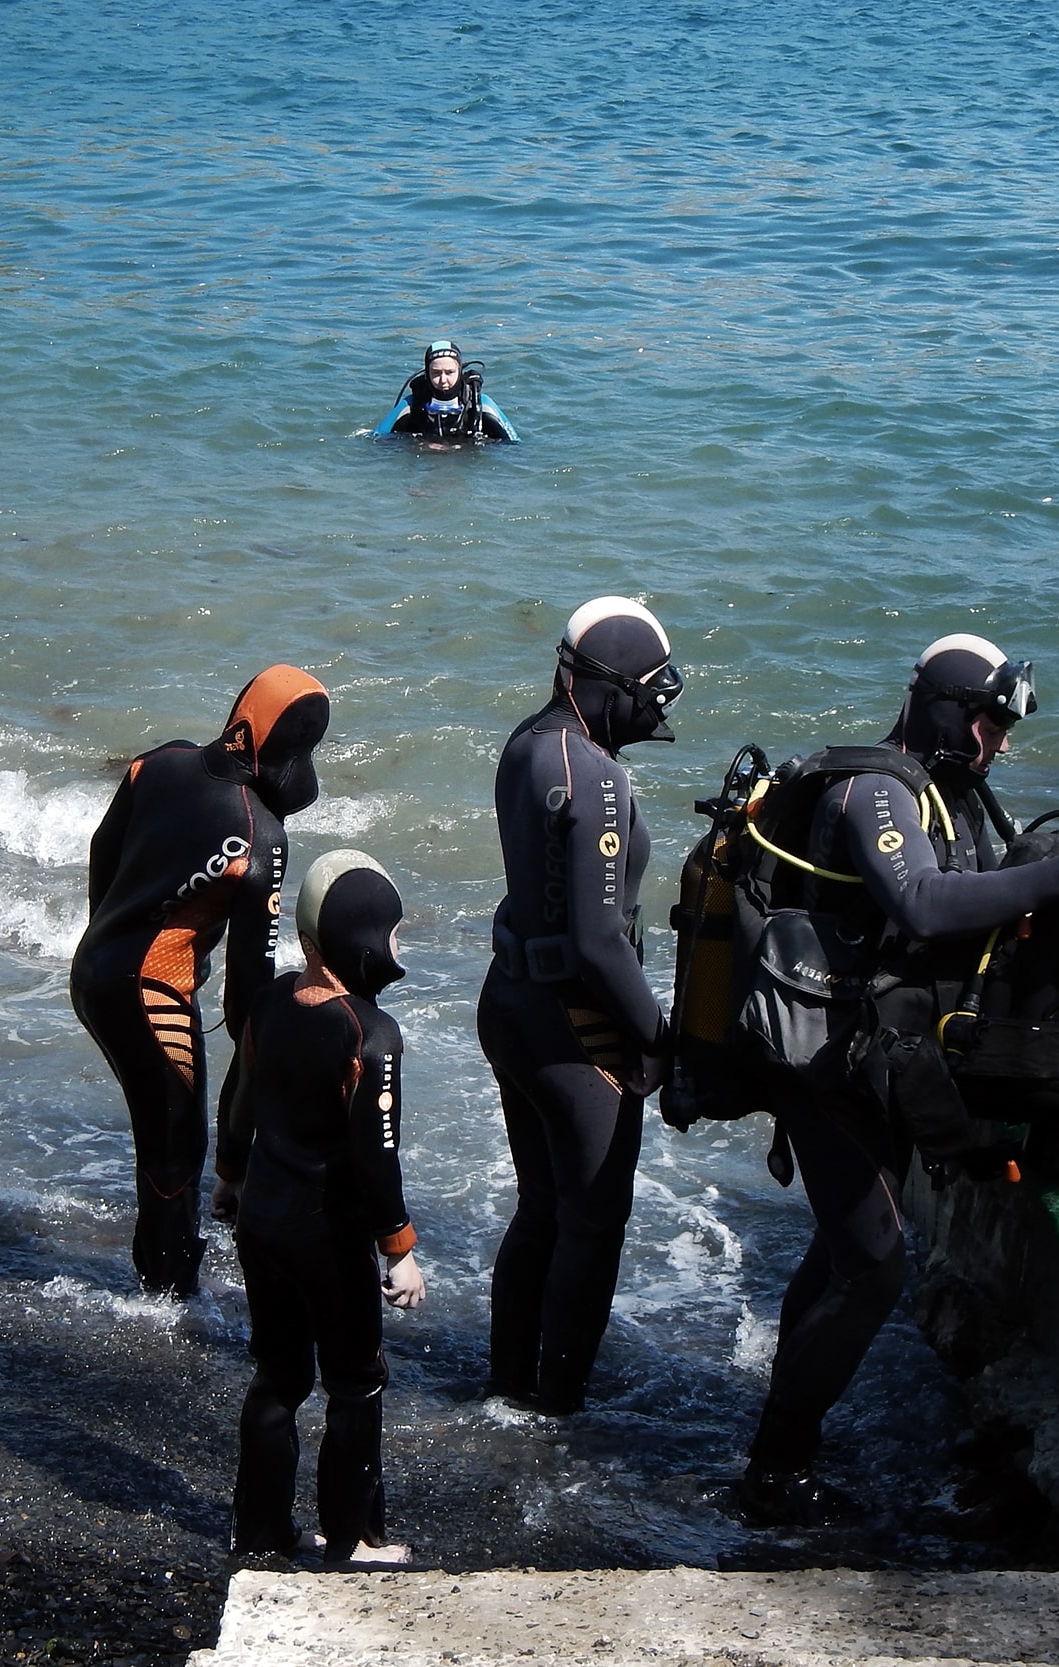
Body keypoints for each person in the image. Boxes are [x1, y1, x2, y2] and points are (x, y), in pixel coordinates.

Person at [737, 634, 1059, 1523]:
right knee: (876, 1269)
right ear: (946, 710)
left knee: (846, 1252)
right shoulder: (873, 790)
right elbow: (919, 900)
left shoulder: (946, 792)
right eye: (989, 721)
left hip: (879, 1059)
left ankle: (781, 1435)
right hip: (825, 1063)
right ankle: (774, 1469)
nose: (999, 742)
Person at [478, 597, 681, 1413]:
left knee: (539, 1207)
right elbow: (600, 941)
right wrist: (658, 1038)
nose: (654, 713)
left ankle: (506, 1385)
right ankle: (558, 1407)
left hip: (511, 1002)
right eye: (648, 694)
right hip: (573, 1027)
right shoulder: (593, 774)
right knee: (592, 1225)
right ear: (608, 685)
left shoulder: (527, 742)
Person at [69, 666, 330, 1298]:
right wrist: (253, 1073)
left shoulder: (158, 761)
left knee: (159, 1128)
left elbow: (103, 855)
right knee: (177, 1147)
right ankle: (167, 1298)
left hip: (94, 968)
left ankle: (162, 1264)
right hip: (151, 991)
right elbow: (248, 985)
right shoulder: (260, 839)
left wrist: (122, 932)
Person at [213, 848, 425, 1563]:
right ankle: (352, 1536)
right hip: (325, 1238)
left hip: (261, 1224)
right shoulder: (372, 1034)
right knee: (356, 1383)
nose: (399, 947)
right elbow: (377, 1157)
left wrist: (228, 1176)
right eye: (395, 933)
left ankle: (261, 1529)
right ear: (364, 940)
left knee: (279, 1377)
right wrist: (399, 1250)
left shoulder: (271, 999)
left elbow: (237, 1101)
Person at [374, 339, 518, 442]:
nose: (443, 380)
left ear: (460, 371)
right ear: (427, 374)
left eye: (449, 372)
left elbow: (514, 445)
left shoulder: (481, 404)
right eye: (436, 373)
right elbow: (375, 440)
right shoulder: (411, 406)